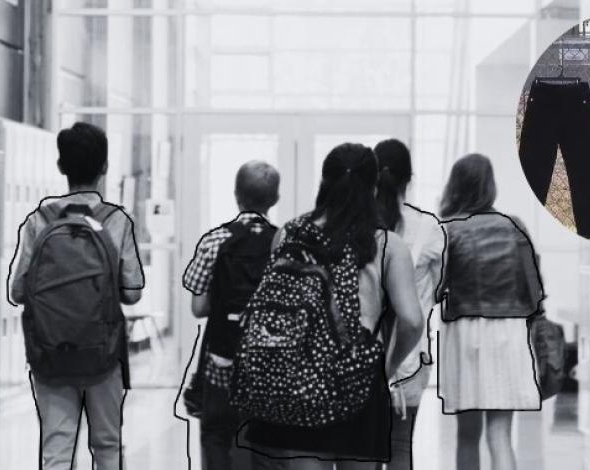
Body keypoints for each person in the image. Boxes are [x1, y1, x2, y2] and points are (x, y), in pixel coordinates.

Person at [241, 143, 426, 470]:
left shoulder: (289, 234)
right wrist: (387, 367)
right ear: (374, 188)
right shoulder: (387, 245)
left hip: (299, 379)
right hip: (360, 379)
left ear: (324, 183)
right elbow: (412, 320)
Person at [8, 122, 144, 470]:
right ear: (105, 168)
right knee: (107, 445)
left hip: (50, 354)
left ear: (61, 167)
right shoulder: (117, 221)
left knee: (56, 448)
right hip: (103, 352)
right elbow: (131, 293)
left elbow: (18, 291)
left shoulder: (38, 220)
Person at [437, 154, 541, 470]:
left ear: (455, 186)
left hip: (466, 332)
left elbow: (436, 289)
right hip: (509, 333)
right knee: (500, 436)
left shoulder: (449, 230)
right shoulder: (514, 226)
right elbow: (534, 290)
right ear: (490, 185)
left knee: (467, 436)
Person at [182, 161, 281, 470]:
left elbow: (198, 308)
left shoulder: (215, 240)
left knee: (215, 435)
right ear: (275, 199)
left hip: (222, 359)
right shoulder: (285, 243)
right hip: (268, 362)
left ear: (236, 195)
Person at [372, 139, 444, 470]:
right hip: (409, 355)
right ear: (408, 179)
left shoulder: (356, 227)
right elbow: (443, 286)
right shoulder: (428, 229)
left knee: (360, 452)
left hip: (360, 355)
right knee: (401, 446)